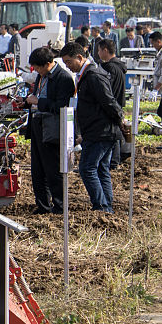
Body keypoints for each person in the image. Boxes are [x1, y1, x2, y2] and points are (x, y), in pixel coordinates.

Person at [60, 42, 122, 212]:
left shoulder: (93, 75)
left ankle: (101, 206)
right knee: (101, 169)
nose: (67, 66)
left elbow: (108, 101)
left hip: (101, 132)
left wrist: (120, 120)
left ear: (80, 58)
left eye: (69, 62)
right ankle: (107, 207)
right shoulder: (87, 74)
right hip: (97, 130)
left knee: (87, 168)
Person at [24, 46, 75, 214]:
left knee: (52, 168)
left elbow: (61, 105)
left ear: (48, 63)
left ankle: (60, 205)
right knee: (37, 169)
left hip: (52, 127)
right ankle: (43, 205)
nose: (36, 71)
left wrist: (38, 101)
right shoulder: (41, 76)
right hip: (37, 124)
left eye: (38, 67)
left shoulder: (63, 78)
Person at [97, 38, 127, 170]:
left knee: (112, 133)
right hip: (118, 103)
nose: (98, 53)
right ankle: (114, 161)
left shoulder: (109, 67)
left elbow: (106, 90)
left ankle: (113, 162)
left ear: (105, 50)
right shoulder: (120, 66)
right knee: (116, 131)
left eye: (98, 50)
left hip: (111, 104)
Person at [152, 31, 162, 124]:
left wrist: (155, 89)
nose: (152, 46)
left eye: (153, 43)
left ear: (158, 42)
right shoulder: (161, 53)